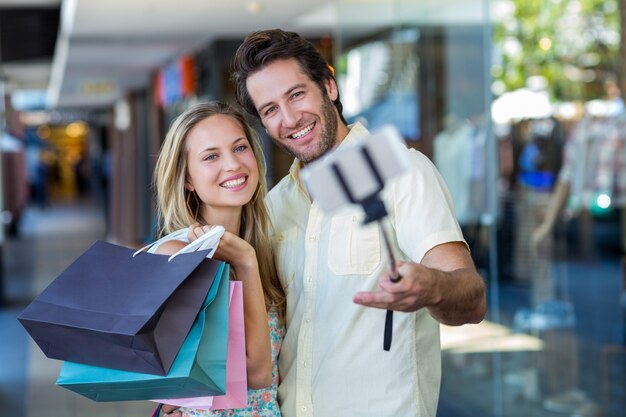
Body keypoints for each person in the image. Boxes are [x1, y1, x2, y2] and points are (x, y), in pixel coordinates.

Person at [231, 29, 487, 417]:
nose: (289, 118)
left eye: (297, 94)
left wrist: (431, 287)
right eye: (270, 110)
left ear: (329, 85)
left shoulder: (402, 171)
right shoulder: (274, 204)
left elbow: (472, 298)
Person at [154, 102, 284, 417]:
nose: (233, 164)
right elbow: (256, 374)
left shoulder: (267, 247)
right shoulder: (179, 256)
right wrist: (246, 264)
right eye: (211, 156)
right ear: (187, 179)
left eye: (240, 147)